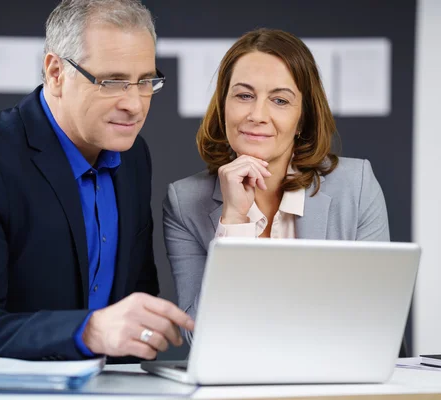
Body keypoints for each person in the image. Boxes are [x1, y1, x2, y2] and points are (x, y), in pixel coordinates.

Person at [0, 0, 193, 363]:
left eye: (145, 81)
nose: (134, 104)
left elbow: (133, 304)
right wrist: (88, 330)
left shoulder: (133, 157)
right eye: (113, 82)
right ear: (55, 73)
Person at [163, 28, 405, 354]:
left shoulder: (356, 185)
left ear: (302, 118)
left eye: (280, 100)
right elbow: (198, 335)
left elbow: (378, 320)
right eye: (244, 95)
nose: (257, 115)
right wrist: (234, 221)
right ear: (223, 107)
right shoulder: (184, 202)